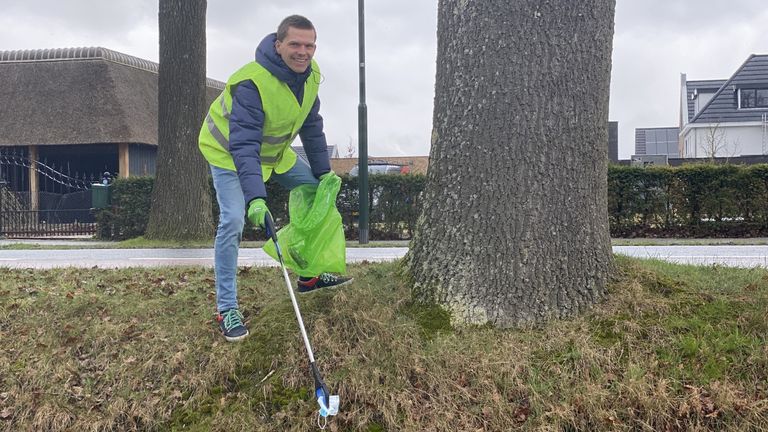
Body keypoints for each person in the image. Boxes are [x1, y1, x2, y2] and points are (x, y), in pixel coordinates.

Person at [198, 15, 352, 342]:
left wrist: (324, 176)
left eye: (309, 45)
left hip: (274, 155)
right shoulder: (252, 82)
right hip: (229, 155)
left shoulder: (312, 77)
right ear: (278, 44)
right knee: (233, 220)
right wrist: (256, 197)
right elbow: (244, 144)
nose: (303, 51)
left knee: (315, 192)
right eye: (295, 44)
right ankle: (227, 308)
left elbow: (312, 127)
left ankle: (309, 277)